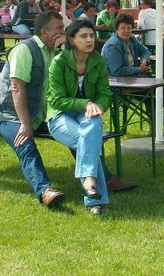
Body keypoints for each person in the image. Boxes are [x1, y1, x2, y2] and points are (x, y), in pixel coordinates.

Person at [0, 11, 136, 209]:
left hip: (41, 114)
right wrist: (24, 123)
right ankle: (45, 191)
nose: (63, 31)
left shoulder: (56, 53)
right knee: (26, 144)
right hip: (9, 116)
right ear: (44, 32)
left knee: (82, 133)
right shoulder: (24, 50)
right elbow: (16, 88)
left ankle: (101, 181)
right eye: (59, 28)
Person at [46, 19, 111, 215]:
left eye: (91, 35)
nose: (89, 40)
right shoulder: (59, 62)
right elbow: (56, 100)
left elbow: (105, 94)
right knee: (89, 140)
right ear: (72, 40)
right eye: (83, 36)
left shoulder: (98, 61)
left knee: (92, 127)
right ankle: (94, 199)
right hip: (59, 115)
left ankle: (91, 186)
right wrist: (85, 103)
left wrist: (98, 106)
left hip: (86, 114)